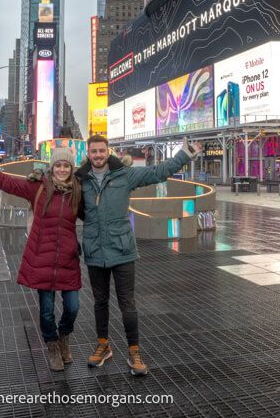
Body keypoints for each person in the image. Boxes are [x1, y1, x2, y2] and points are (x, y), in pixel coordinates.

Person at [76, 134, 200, 376]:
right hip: (95, 250)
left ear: (107, 151)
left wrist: (185, 154)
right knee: (100, 302)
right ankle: (103, 345)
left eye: (102, 151)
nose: (98, 155)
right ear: (88, 154)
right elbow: (57, 187)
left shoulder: (124, 174)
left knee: (127, 304)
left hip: (122, 250)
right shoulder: (81, 179)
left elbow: (158, 172)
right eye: (94, 152)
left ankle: (134, 351)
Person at [0, 142, 82, 372]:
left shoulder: (77, 191)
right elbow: (3, 181)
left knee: (72, 308)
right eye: (58, 165)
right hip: (42, 259)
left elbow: (98, 210)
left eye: (66, 165)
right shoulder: (38, 188)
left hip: (68, 260)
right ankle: (52, 345)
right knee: (46, 311)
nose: (62, 169)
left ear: (71, 168)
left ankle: (64, 337)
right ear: (52, 167)